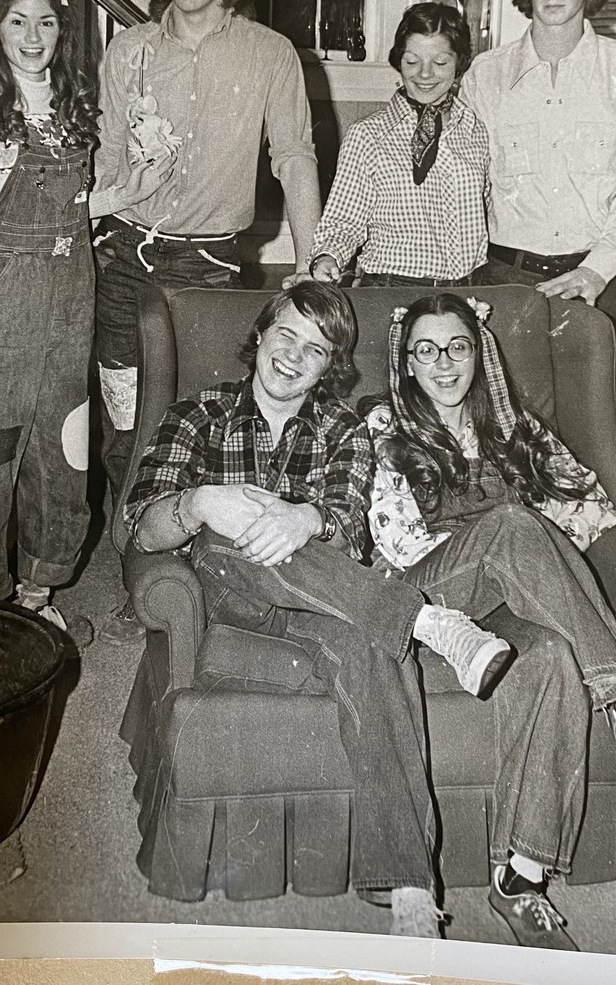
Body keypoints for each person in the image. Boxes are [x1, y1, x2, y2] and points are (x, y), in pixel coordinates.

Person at [362, 293, 616, 949]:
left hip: (504, 601)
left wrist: (560, 562)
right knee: (513, 526)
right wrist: (509, 538)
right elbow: (396, 544)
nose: (444, 363)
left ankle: (521, 878)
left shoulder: (511, 425)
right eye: (425, 351)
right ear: (406, 363)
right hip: (427, 600)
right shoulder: (384, 425)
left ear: (478, 352)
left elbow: (591, 510)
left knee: (549, 654)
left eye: (457, 347)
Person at [123, 281, 512, 939]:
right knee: (226, 526)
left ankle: (410, 885)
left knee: (371, 646)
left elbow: (352, 531)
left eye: (316, 348)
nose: (293, 356)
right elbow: (141, 529)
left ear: (331, 365)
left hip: (323, 604)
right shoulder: (198, 415)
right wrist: (200, 504)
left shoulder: (342, 429)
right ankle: (424, 620)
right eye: (286, 335)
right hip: (227, 594)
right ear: (260, 335)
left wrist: (306, 519)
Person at [93, 0, 322, 642]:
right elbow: (106, 157)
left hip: (212, 271)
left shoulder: (269, 53)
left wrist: (310, 262)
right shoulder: (128, 51)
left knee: (203, 426)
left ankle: (207, 570)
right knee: (123, 424)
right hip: (123, 260)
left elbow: (294, 156)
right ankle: (139, 571)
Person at [0, 0, 160, 633]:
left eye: (47, 22)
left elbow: (72, 213)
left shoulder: (71, 115)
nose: (33, 37)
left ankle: (37, 596)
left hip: (67, 321)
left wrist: (130, 191)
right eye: (18, 21)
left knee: (62, 462)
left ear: (63, 33)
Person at [462, 0, 616, 387]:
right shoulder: (485, 75)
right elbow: (464, 185)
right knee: (506, 417)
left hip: (598, 279)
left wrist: (595, 272)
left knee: (594, 420)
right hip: (506, 282)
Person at [309, 2, 489, 287]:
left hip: (465, 292)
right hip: (390, 289)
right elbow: (344, 221)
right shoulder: (368, 135)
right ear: (398, 61)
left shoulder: (476, 130)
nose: (425, 74)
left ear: (460, 63)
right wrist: (328, 257)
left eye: (440, 62)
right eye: (412, 61)